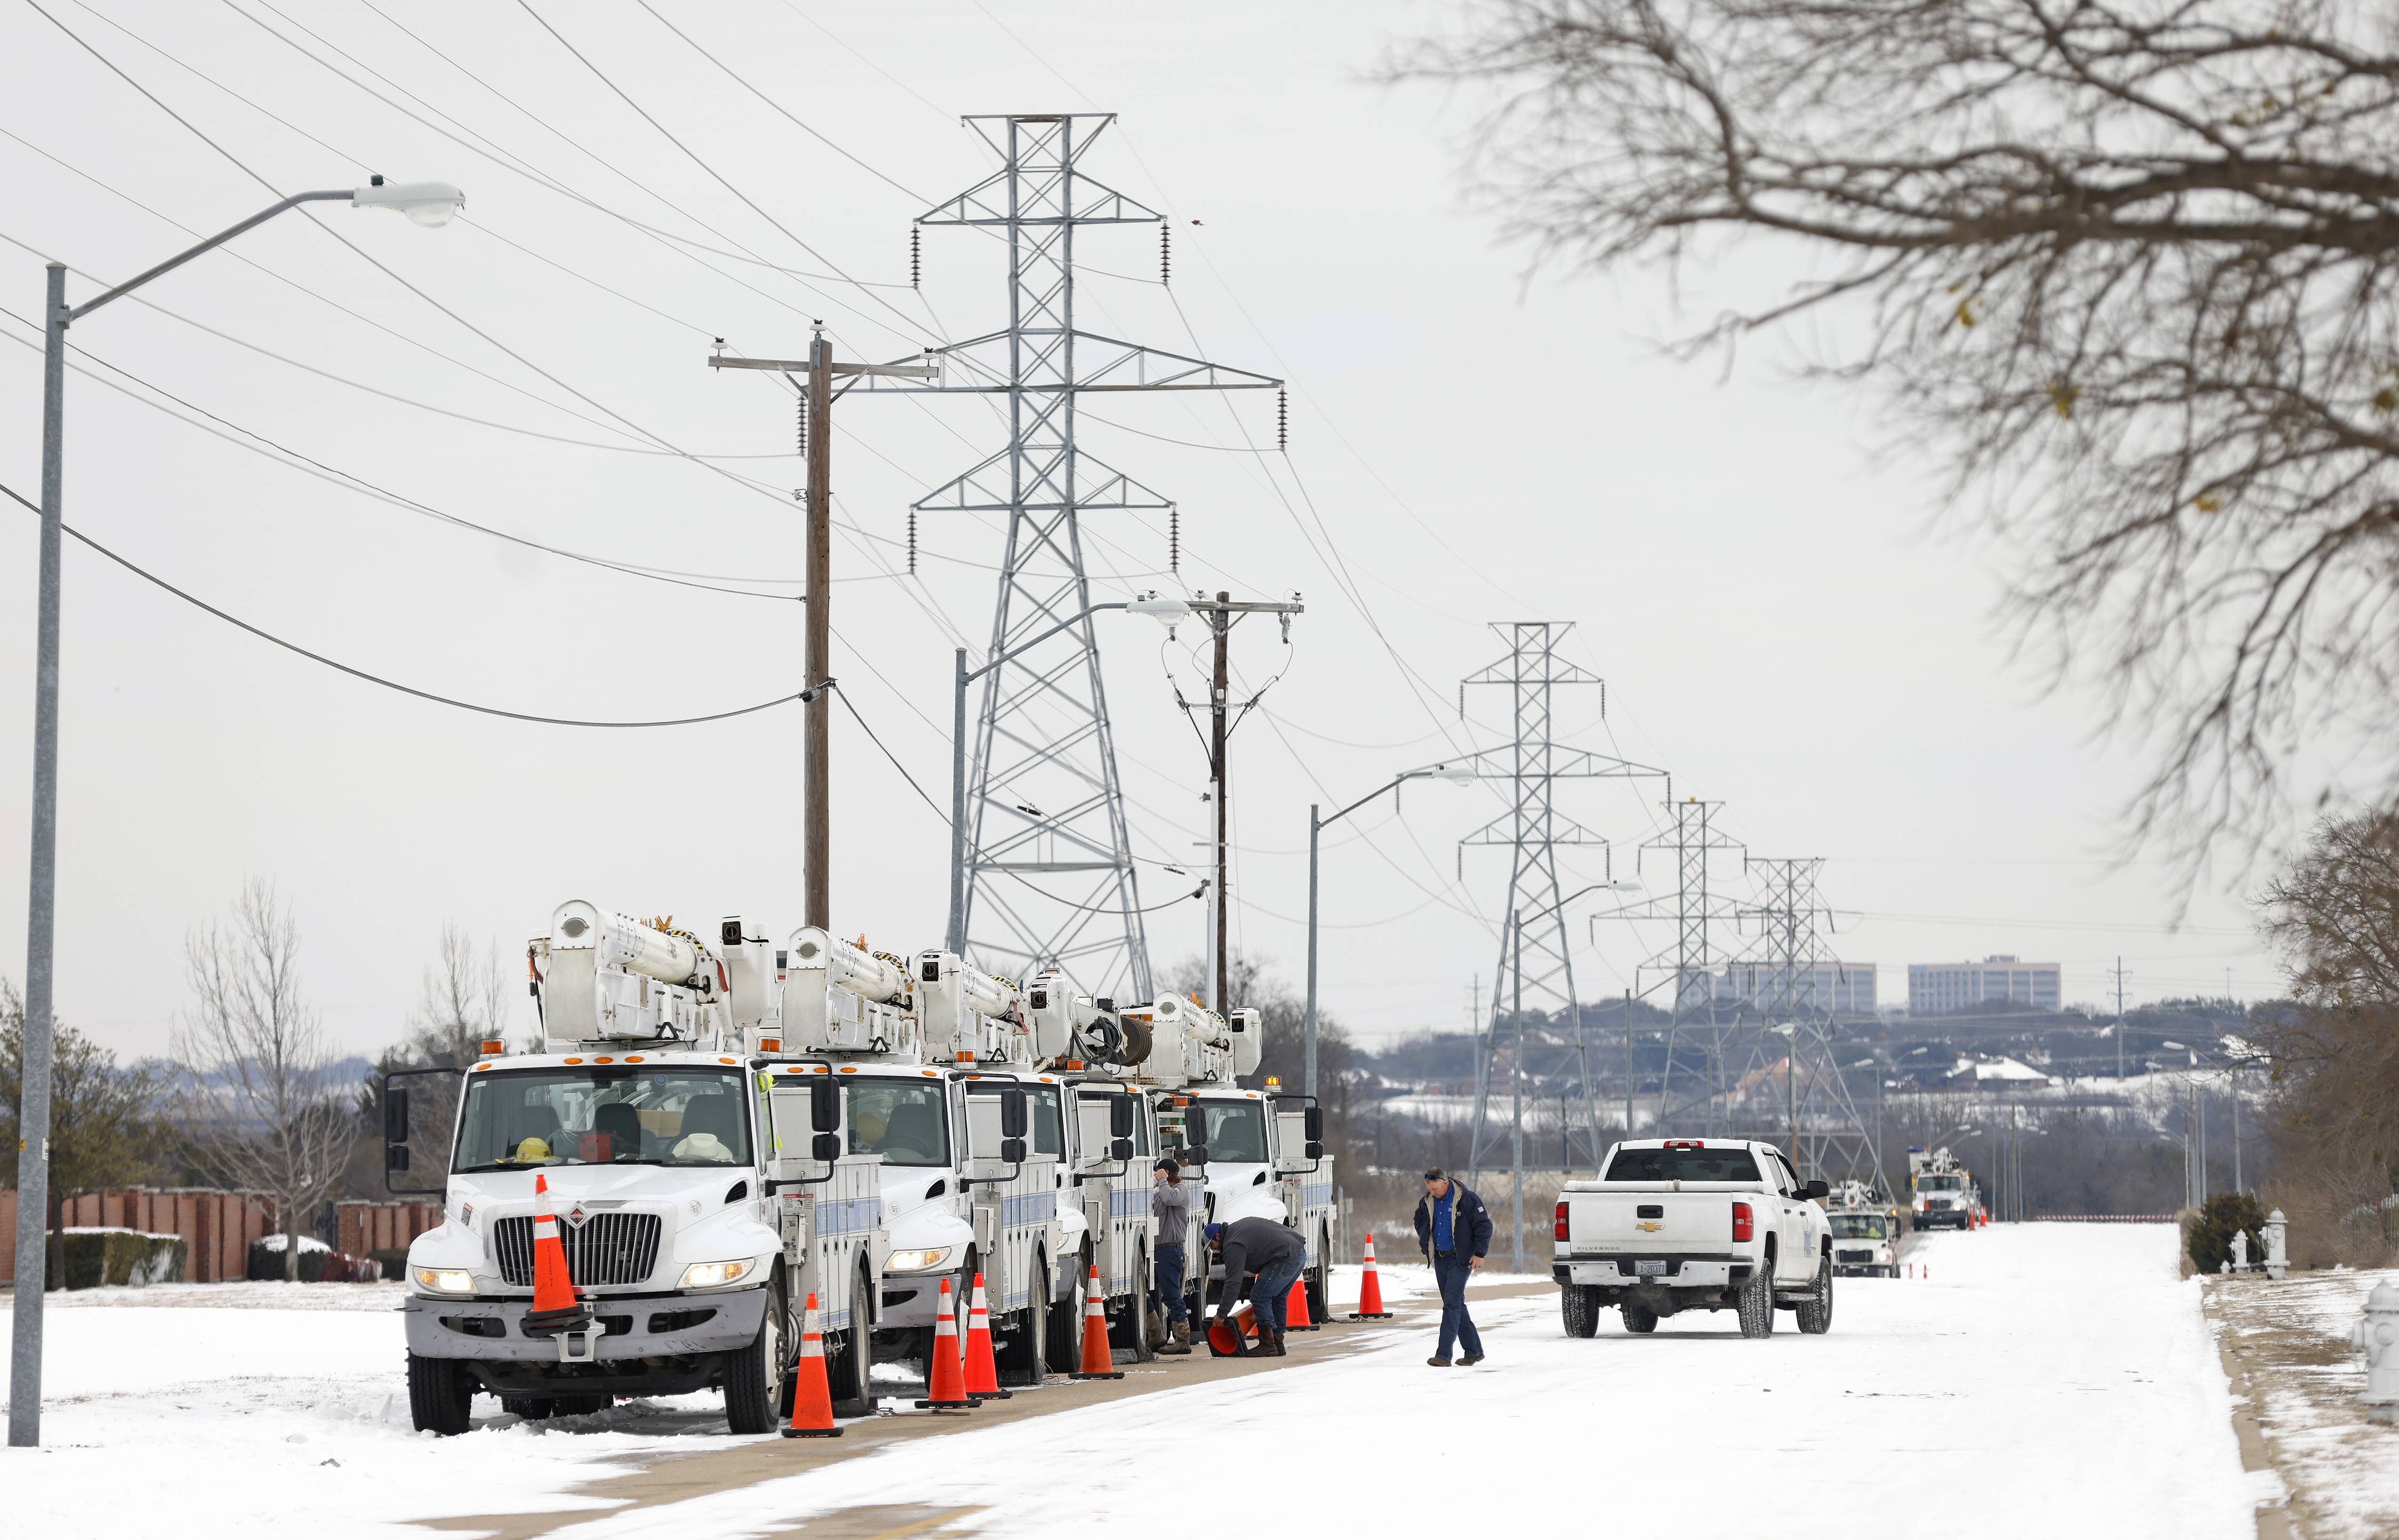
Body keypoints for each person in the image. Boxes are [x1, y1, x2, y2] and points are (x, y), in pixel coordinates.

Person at [1412, 1167, 1492, 1367]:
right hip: (1440, 1259)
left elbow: (1484, 1226)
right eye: (1429, 1188)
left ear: (1445, 1183)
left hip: (1461, 1259)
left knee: (1451, 1305)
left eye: (1435, 1188)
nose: (1432, 1192)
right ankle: (1474, 1351)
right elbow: (1419, 1219)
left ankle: (1443, 1355)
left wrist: (1480, 1254)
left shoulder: (1467, 1199)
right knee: (1456, 1304)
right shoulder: (1428, 1201)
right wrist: (1426, 1241)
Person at [1209, 1216, 1306, 1357]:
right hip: (1298, 1253)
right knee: (1278, 1298)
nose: (1214, 1250)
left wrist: (1222, 1314)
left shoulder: (1233, 1243)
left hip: (1287, 1257)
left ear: (1218, 1236)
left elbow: (1233, 1283)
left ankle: (1268, 1344)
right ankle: (1278, 1342)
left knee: (1260, 1296)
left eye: (1212, 1245)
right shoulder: (1236, 1231)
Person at [1153, 1158, 1195, 1353]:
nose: (1155, 1176)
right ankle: (1155, 1333)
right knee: (1145, 1292)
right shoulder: (1161, 1192)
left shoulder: (1181, 1190)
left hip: (1172, 1250)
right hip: (1158, 1250)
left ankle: (1182, 1339)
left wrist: (1162, 1181)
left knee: (1171, 1295)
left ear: (1167, 1173)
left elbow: (1170, 1199)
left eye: (1159, 1172)